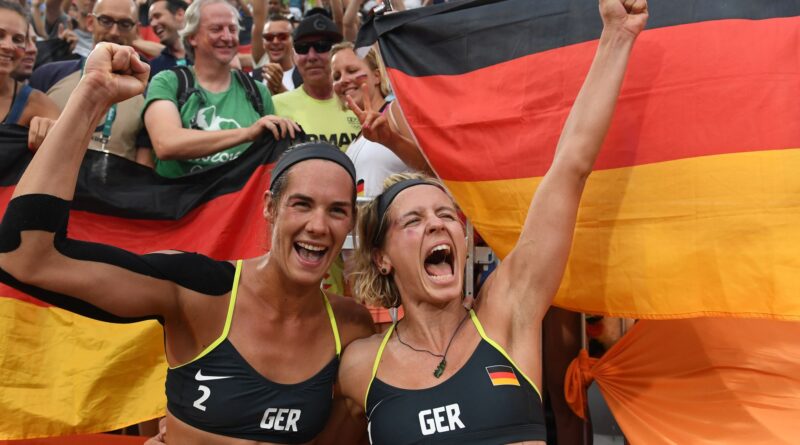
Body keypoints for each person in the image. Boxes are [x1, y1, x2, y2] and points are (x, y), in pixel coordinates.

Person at [0, 42, 375, 444]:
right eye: (301, 204)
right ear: (270, 208)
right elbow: (28, 257)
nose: (318, 225)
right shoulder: (200, 291)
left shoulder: (351, 325)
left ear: (350, 221)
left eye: (337, 210)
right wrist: (91, 94)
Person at [338, 0, 648, 443]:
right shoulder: (358, 368)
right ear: (381, 257)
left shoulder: (508, 313)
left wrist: (617, 36)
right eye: (414, 219)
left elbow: (570, 167)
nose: (437, 224)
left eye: (447, 214)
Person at [144, 0, 299, 178]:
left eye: (232, 29)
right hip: (182, 204)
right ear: (192, 37)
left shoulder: (257, 92)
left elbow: (270, 165)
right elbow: (166, 144)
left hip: (239, 204)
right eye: (216, 29)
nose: (227, 37)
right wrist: (248, 133)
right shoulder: (167, 82)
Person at [29, 0, 153, 165]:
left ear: (136, 30)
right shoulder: (47, 75)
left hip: (114, 188)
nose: (115, 32)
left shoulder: (147, 91)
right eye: (106, 21)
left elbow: (143, 169)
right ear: (89, 22)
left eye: (125, 23)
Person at [272, 14, 361, 152]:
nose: (312, 56)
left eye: (322, 46)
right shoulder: (275, 106)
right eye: (302, 48)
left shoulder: (360, 102)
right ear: (293, 56)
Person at [0, 1, 60, 149]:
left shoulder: (37, 104)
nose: (9, 46)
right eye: (0, 35)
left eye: (18, 39)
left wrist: (51, 134)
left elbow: (70, 155)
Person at [146, 0, 188, 80]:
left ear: (180, 14)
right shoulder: (154, 67)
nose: (153, 24)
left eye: (157, 16)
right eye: (150, 20)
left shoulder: (208, 55)